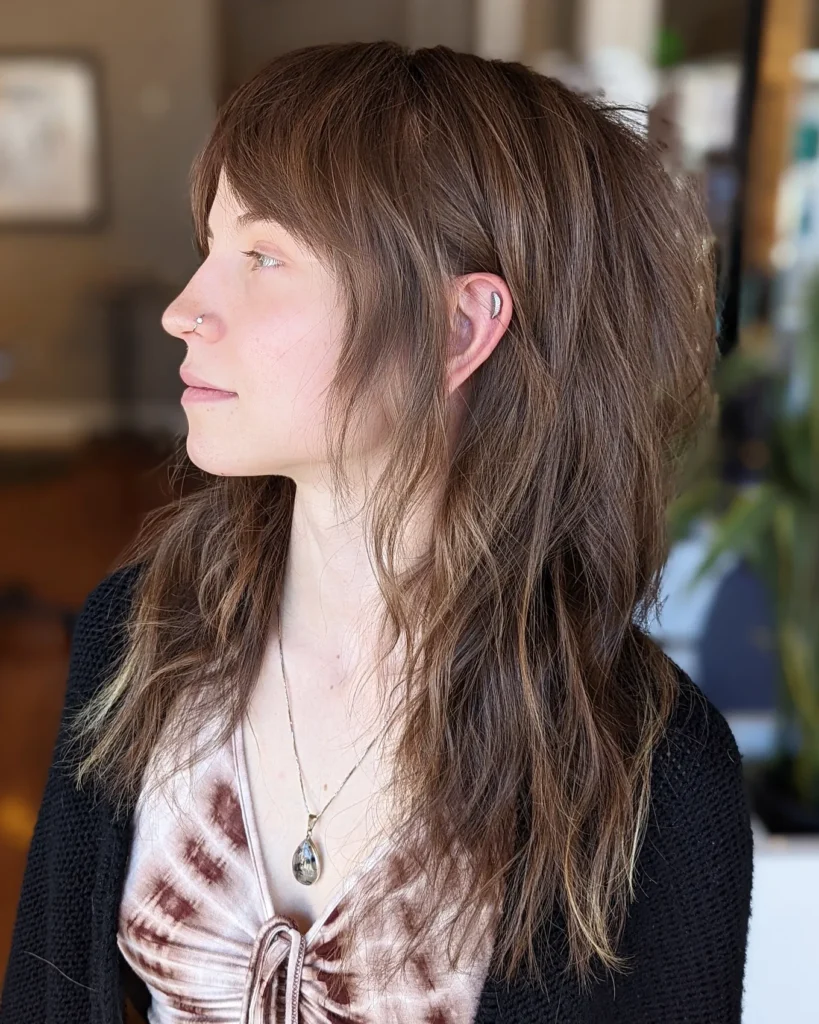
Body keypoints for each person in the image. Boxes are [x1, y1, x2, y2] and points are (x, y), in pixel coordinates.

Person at [0, 41, 753, 1024]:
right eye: (210, 249)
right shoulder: (133, 639)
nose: (186, 310)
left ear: (458, 330)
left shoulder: (658, 783)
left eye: (264, 256)